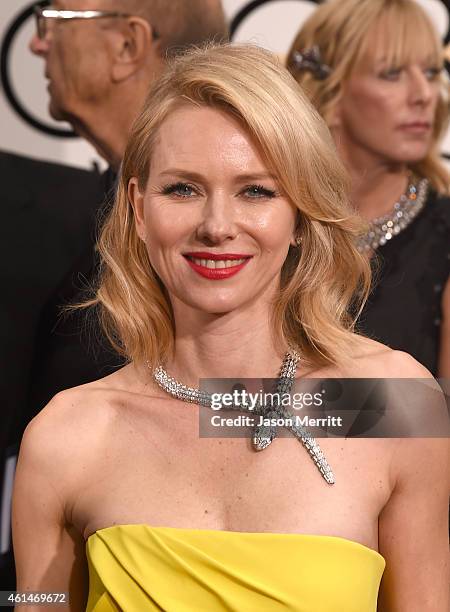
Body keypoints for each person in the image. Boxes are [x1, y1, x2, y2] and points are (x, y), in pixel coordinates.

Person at [12, 44, 449, 611]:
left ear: (300, 214)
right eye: (183, 189)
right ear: (138, 209)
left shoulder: (392, 403)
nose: (217, 226)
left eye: (256, 191)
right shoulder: (66, 438)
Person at [287, 0, 450, 378]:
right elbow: (219, 401)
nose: (424, 94)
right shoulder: (267, 221)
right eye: (392, 73)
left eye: (430, 72)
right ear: (330, 91)